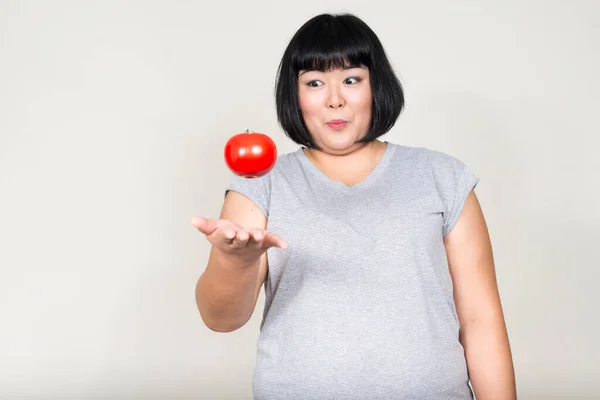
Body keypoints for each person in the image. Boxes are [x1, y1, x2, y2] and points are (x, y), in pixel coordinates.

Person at [192, 12, 516, 400]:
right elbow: (221, 320)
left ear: (375, 85)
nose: (334, 100)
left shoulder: (442, 177)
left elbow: (480, 319)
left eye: (351, 79)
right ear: (294, 96)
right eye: (314, 83)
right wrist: (236, 262)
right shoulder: (261, 184)